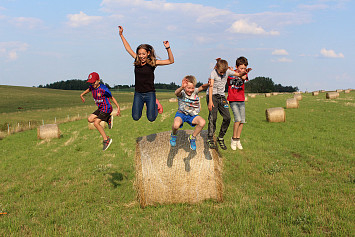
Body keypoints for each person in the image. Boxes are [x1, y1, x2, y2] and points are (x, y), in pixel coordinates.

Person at [118, 25, 174, 122]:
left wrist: (168, 48)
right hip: (138, 94)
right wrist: (121, 35)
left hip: (150, 93)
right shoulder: (137, 60)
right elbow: (128, 48)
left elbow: (170, 61)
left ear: (148, 53)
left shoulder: (153, 62)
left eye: (143, 54)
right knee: (135, 117)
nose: (141, 56)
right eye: (139, 54)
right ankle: (150, 105)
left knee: (151, 118)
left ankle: (155, 105)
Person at [207, 58, 246, 150]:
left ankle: (220, 137)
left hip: (221, 96)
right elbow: (211, 87)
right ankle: (210, 138)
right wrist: (210, 101)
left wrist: (244, 72)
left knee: (227, 117)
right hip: (212, 95)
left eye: (223, 73)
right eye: (220, 72)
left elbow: (239, 74)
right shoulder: (213, 73)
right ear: (217, 68)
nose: (222, 74)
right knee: (213, 117)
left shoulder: (227, 71)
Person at [80, 72, 120, 151]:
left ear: (98, 80)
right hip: (101, 108)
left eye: (94, 82)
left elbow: (112, 97)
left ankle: (106, 140)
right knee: (90, 119)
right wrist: (82, 94)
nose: (92, 84)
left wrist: (118, 107)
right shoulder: (92, 87)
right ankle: (108, 119)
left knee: (96, 123)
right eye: (91, 83)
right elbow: (89, 89)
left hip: (107, 108)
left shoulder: (104, 89)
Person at [170, 76, 209, 150]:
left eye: (192, 88)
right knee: (176, 125)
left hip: (192, 115)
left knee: (202, 122)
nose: (190, 90)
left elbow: (202, 87)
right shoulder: (182, 93)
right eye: (188, 88)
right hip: (181, 114)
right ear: (185, 87)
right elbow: (176, 93)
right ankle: (173, 135)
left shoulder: (195, 92)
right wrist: (182, 87)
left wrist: (208, 84)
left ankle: (192, 137)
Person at [227, 56, 252, 150]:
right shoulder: (230, 74)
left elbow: (244, 77)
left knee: (242, 121)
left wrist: (244, 72)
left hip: (241, 100)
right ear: (236, 66)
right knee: (237, 119)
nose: (243, 70)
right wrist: (232, 71)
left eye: (244, 68)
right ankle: (233, 139)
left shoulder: (245, 74)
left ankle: (238, 139)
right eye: (241, 68)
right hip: (233, 100)